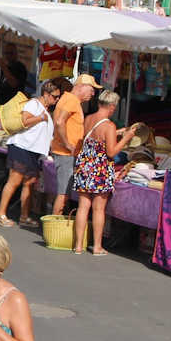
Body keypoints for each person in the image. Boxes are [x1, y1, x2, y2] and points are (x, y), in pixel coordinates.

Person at [72, 90, 137, 256]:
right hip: (100, 169)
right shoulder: (109, 125)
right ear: (112, 107)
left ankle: (78, 245)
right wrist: (126, 137)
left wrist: (117, 133)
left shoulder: (88, 119)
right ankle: (97, 246)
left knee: (83, 206)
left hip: (85, 165)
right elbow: (111, 152)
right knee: (98, 209)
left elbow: (94, 137)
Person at [0, 81, 59, 227]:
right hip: (21, 146)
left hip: (34, 151)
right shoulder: (34, 104)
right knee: (14, 181)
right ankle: (0, 213)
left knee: (29, 183)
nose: (57, 100)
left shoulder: (46, 110)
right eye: (55, 97)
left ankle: (24, 216)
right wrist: (40, 118)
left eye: (58, 97)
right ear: (46, 94)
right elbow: (25, 120)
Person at [50, 74, 100, 216]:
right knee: (63, 193)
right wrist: (68, 145)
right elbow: (60, 122)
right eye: (91, 89)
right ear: (81, 87)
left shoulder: (68, 99)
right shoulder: (71, 100)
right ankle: (56, 227)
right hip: (66, 154)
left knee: (64, 193)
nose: (93, 93)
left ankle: (57, 224)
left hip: (64, 152)